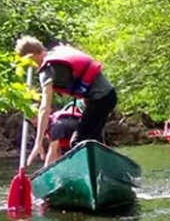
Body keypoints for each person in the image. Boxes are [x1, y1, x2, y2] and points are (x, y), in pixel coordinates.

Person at [15, 36, 117, 165]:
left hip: (100, 100)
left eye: (27, 62)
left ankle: (90, 172)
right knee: (93, 139)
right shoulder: (57, 52)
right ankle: (105, 169)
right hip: (107, 97)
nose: (29, 65)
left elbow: (45, 108)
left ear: (30, 56)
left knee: (78, 142)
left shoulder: (47, 71)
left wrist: (38, 142)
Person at [44, 100, 83, 165]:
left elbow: (52, 153)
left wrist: (45, 170)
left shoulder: (55, 126)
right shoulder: (54, 126)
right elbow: (57, 152)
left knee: (53, 151)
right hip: (81, 127)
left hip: (74, 127)